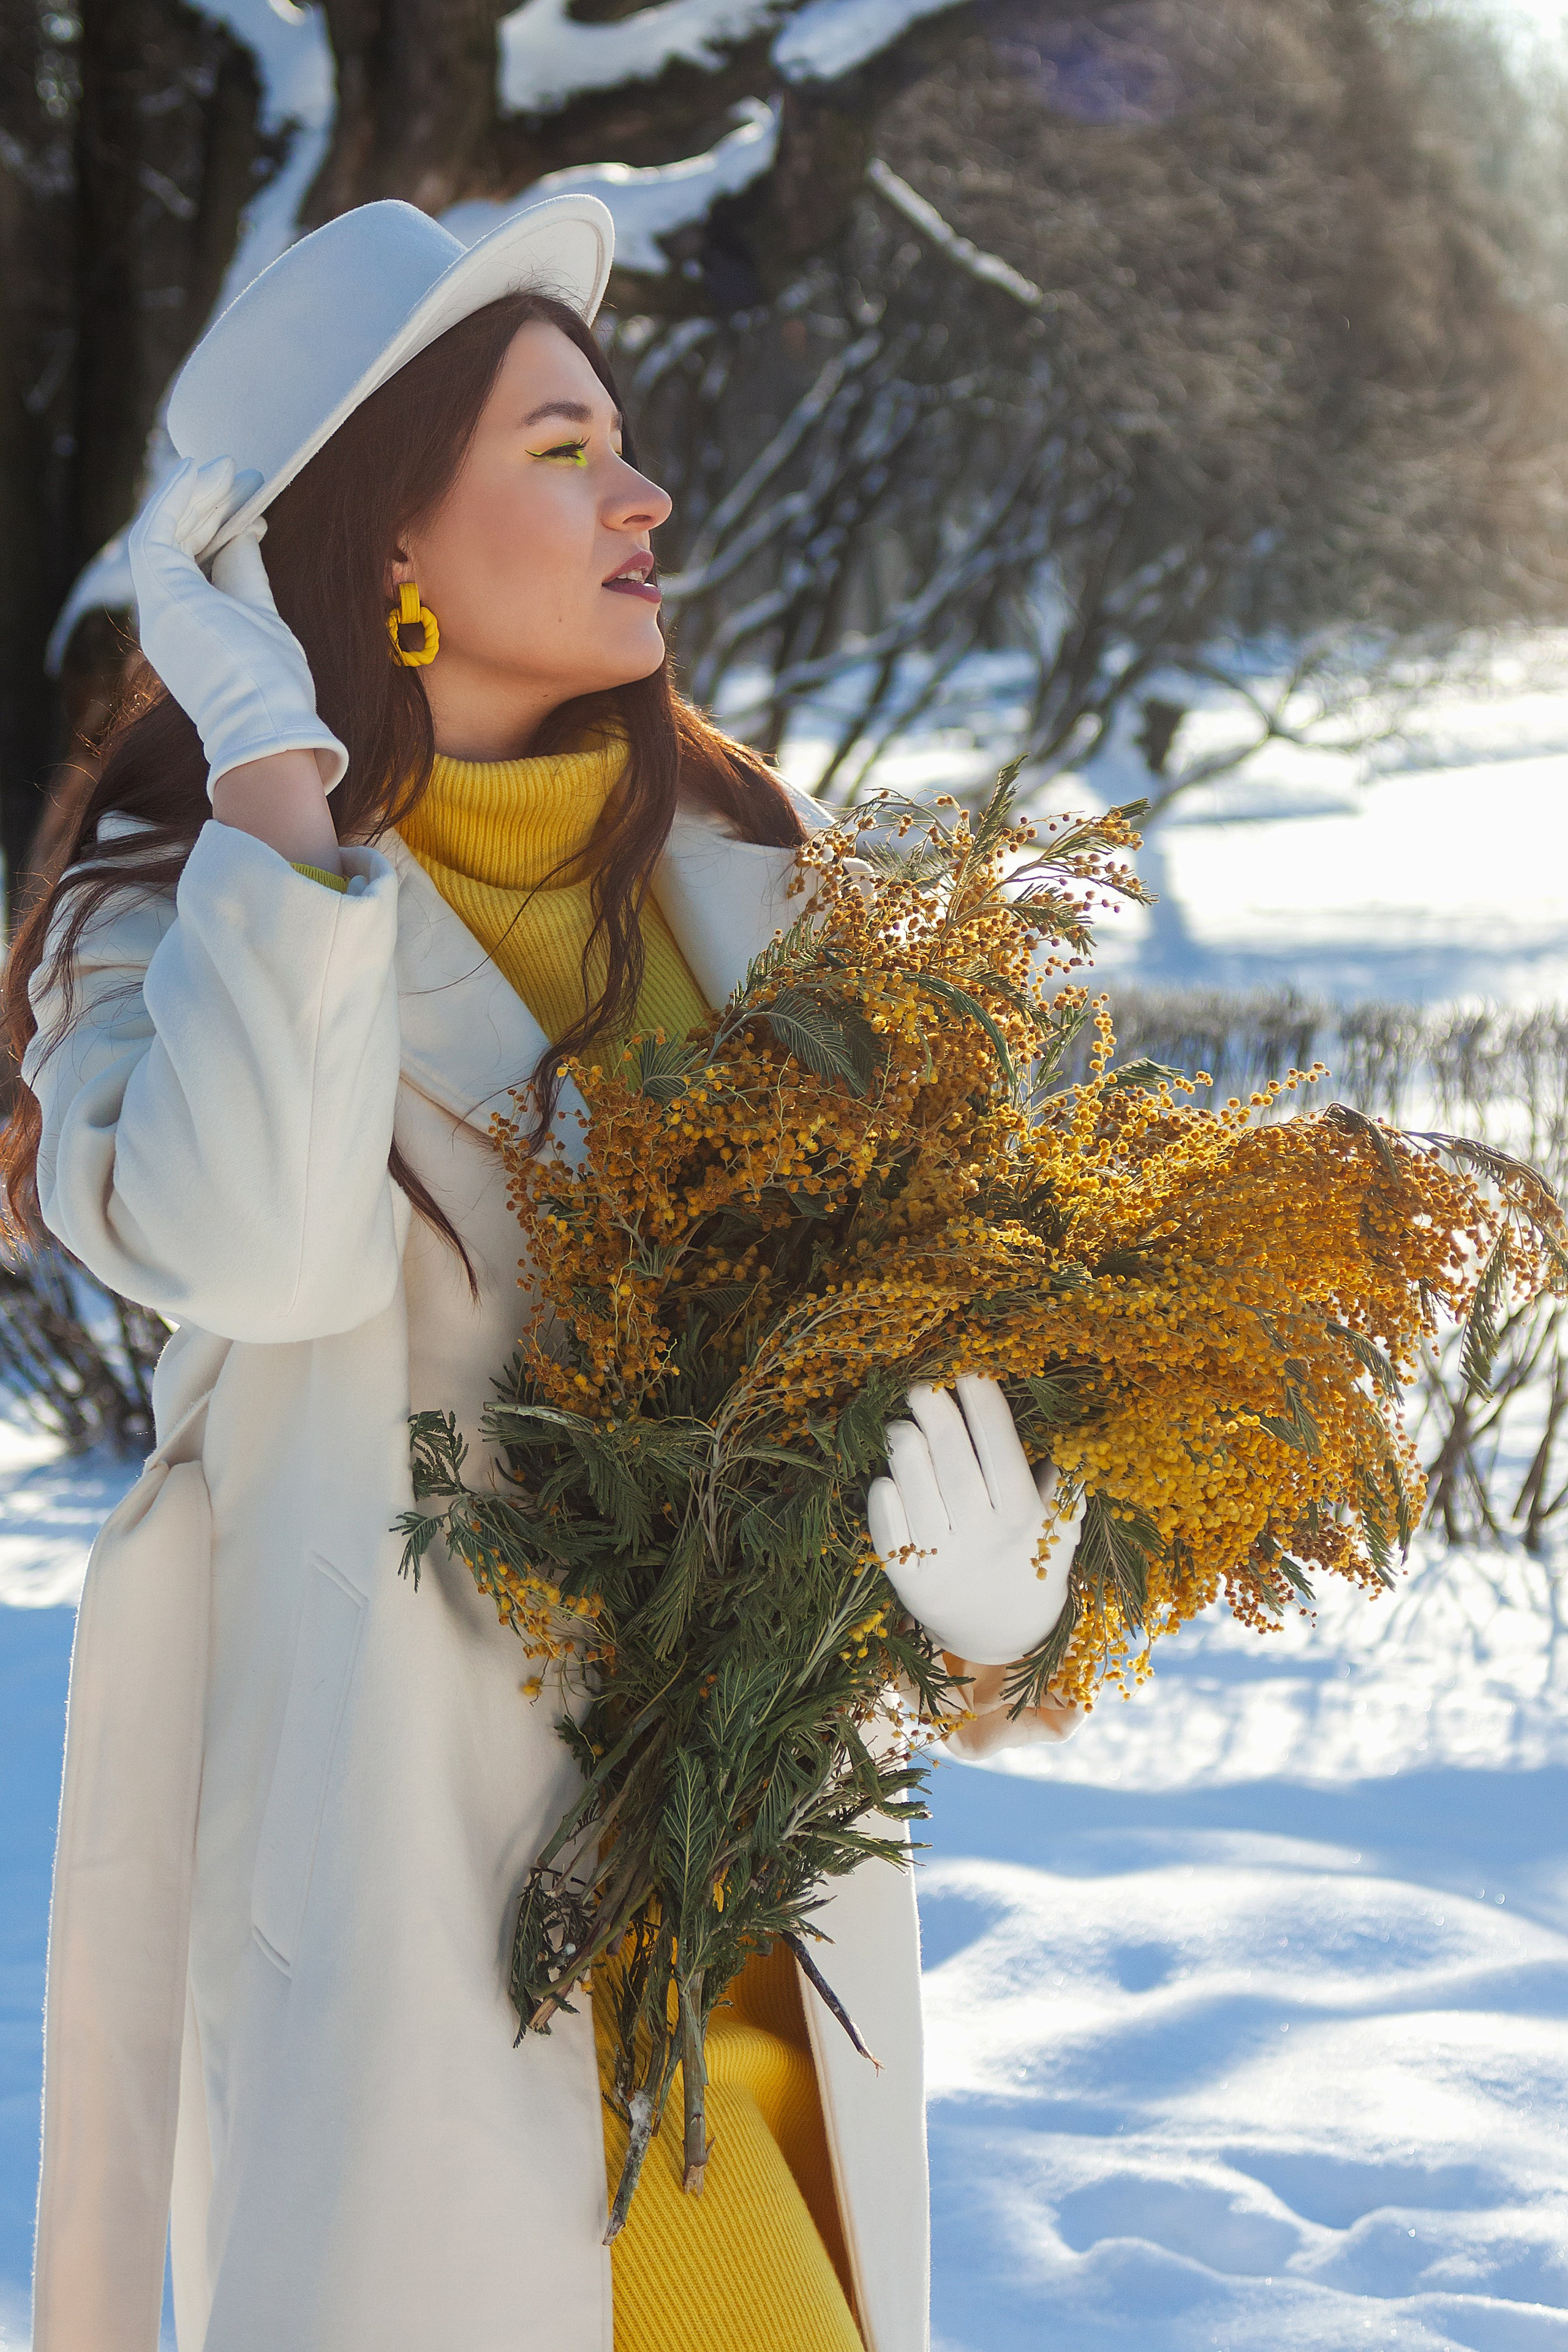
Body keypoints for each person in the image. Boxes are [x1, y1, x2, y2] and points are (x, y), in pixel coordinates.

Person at [6, 195, 1082, 2352]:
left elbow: (944, 1339)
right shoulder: (167, 921)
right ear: (378, 544)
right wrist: (275, 789)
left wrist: (1003, 1594)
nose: (646, 490)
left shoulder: (750, 893)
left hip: (750, 1933)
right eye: (563, 446)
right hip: (413, 1931)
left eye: (622, 437)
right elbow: (259, 1246)